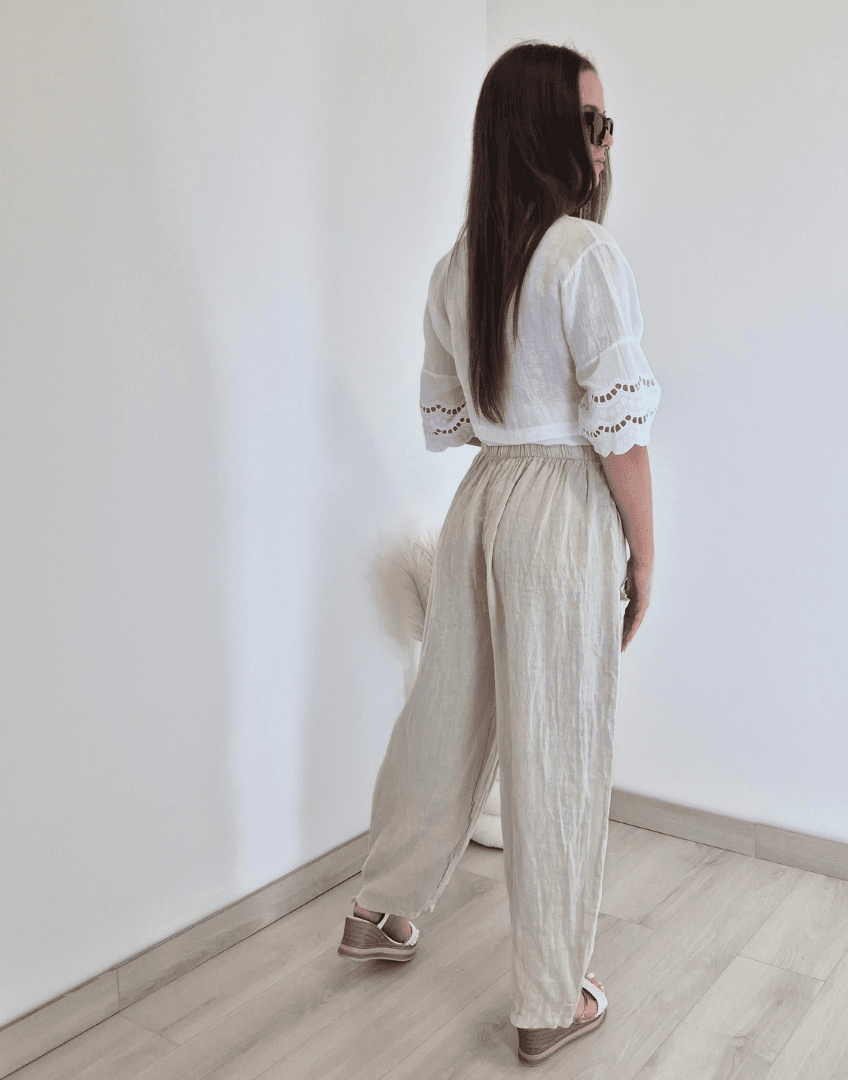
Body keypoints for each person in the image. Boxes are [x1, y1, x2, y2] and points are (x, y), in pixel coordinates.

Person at [337, 41, 660, 1067]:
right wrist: (645, 555)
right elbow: (620, 436)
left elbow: (460, 419)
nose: (605, 144)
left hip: (482, 502)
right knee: (557, 741)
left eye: (606, 125)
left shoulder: (459, 265)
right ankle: (547, 999)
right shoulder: (584, 256)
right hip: (562, 504)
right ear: (546, 131)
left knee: (446, 714)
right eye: (591, 123)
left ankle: (379, 909)